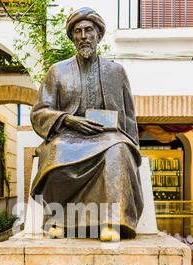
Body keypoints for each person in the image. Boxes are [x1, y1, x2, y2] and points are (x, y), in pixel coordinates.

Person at [30, 7, 144, 241]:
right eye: (78, 31)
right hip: (69, 134)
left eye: (89, 30)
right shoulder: (57, 71)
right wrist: (68, 119)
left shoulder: (116, 72)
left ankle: (111, 222)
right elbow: (39, 111)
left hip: (109, 135)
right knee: (55, 152)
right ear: (73, 37)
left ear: (98, 35)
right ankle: (57, 220)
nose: (83, 36)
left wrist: (134, 148)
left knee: (119, 151)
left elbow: (129, 117)